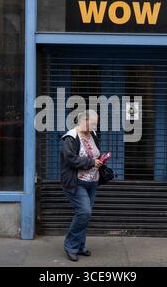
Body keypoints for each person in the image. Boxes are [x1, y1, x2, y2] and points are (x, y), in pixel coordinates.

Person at [60, 109, 103, 262]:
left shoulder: (93, 135)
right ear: (83, 120)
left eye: (95, 124)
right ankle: (70, 245)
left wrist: (100, 161)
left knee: (85, 215)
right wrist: (91, 162)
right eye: (92, 123)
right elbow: (71, 159)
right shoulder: (70, 138)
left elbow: (95, 154)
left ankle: (79, 246)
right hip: (75, 182)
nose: (93, 127)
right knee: (84, 212)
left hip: (92, 182)